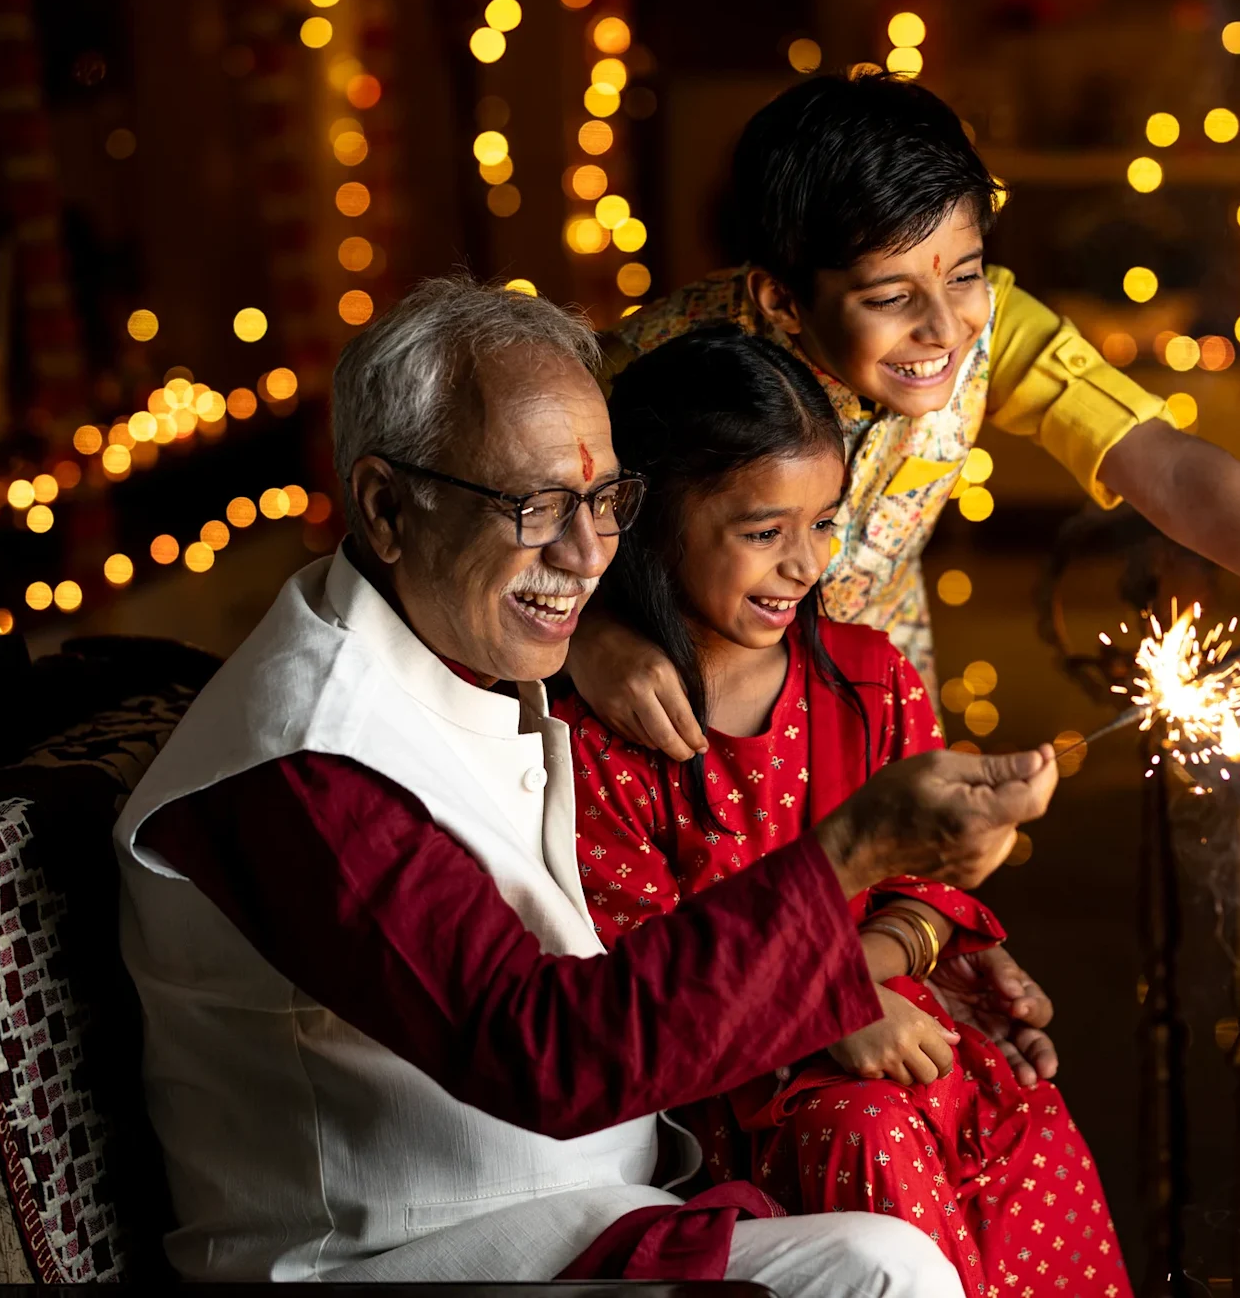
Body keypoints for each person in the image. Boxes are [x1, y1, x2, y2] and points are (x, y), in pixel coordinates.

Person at [111, 276, 1060, 1295]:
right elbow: (545, 1057)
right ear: (387, 506)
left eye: (606, 500)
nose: (586, 554)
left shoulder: (473, 637)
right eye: (535, 507)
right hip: (399, 1262)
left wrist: (906, 947)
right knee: (879, 1274)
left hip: (590, 1214)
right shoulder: (306, 764)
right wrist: (851, 856)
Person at [572, 72, 1240, 759]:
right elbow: (486, 502)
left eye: (965, 273)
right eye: (887, 296)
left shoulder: (994, 332)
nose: (942, 328)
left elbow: (1174, 471)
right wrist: (588, 640)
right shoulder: (650, 370)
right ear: (781, 299)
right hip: (670, 716)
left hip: (870, 708)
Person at [554, 324, 1129, 1297]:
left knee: (1023, 1115)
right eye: (761, 532)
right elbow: (642, 974)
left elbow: (928, 895)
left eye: (824, 522)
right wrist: (819, 1009)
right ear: (647, 518)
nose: (804, 563)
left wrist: (863, 976)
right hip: (749, 1096)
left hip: (906, 1044)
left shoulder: (869, 683)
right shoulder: (603, 738)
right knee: (864, 1133)